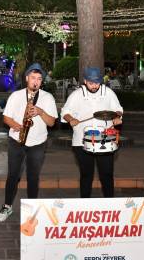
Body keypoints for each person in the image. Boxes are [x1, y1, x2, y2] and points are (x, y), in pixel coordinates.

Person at [0, 63, 58, 222]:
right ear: (26, 79)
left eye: (39, 79)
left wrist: (40, 111)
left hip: (38, 143)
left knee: (33, 177)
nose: (36, 82)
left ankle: (32, 211)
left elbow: (51, 123)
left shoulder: (47, 97)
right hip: (16, 140)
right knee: (13, 176)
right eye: (33, 78)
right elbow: (6, 118)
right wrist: (15, 125)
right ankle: (7, 206)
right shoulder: (16, 96)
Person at [61, 67, 123, 198]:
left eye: (97, 82)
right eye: (91, 83)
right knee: (86, 175)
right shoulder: (76, 94)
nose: (94, 86)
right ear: (85, 81)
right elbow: (65, 112)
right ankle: (85, 204)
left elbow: (118, 109)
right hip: (81, 140)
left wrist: (117, 117)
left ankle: (110, 204)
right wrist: (70, 119)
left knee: (106, 174)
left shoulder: (108, 92)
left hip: (105, 138)